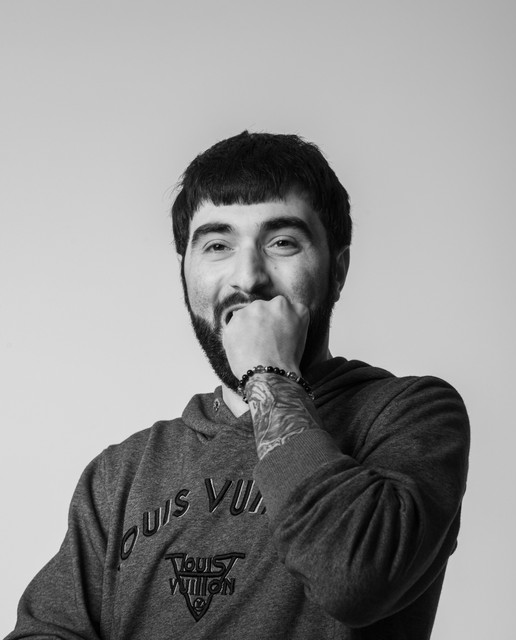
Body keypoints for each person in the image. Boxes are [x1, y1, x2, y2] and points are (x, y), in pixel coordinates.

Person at [6, 131, 470, 640]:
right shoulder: (121, 473)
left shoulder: (411, 414)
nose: (248, 278)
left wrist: (267, 373)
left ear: (337, 271)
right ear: (185, 274)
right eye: (217, 245)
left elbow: (352, 579)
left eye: (282, 242)